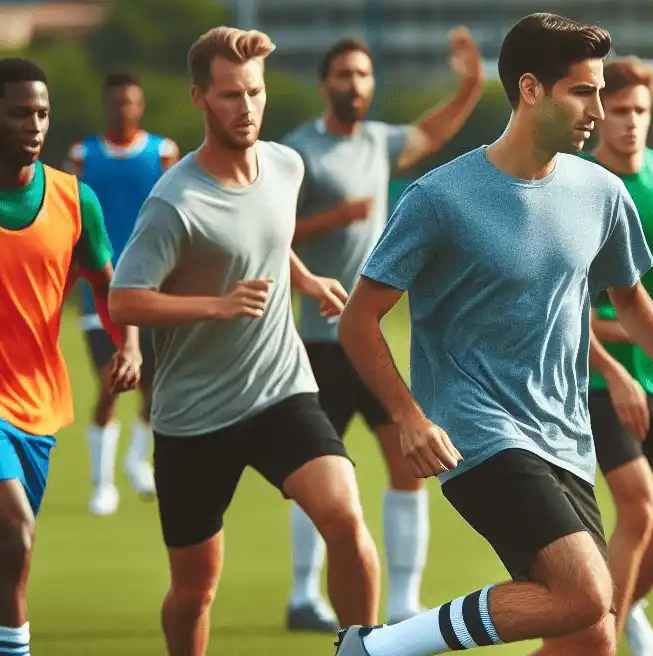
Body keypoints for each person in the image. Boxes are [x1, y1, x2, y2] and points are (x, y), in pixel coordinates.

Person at [333, 13, 653, 656]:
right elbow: (358, 317)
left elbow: (626, 292)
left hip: (565, 436)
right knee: (588, 593)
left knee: (591, 639)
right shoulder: (440, 198)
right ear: (531, 90)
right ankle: (378, 647)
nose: (598, 107)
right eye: (583, 92)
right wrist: (409, 417)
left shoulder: (601, 191)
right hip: (476, 431)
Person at [107, 27, 381, 656]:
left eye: (254, 92)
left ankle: (363, 649)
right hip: (194, 416)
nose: (247, 107)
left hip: (280, 389)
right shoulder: (174, 202)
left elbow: (268, 236)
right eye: (230, 95)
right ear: (201, 98)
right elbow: (125, 298)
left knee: (345, 518)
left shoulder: (286, 165)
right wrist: (217, 305)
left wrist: (308, 280)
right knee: (195, 591)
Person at [279, 29, 484, 631]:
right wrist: (334, 217)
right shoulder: (298, 152)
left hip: (366, 340)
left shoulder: (378, 141)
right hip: (316, 343)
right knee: (312, 478)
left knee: (407, 463)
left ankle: (402, 603)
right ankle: (301, 597)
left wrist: (471, 83)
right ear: (325, 84)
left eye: (364, 75)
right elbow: (270, 235)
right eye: (343, 74)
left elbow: (433, 133)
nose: (355, 84)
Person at [0, 57, 141, 656]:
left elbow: (107, 287)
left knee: (13, 556)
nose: (34, 124)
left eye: (42, 113)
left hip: (37, 403)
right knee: (15, 534)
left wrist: (129, 343)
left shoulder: (73, 199)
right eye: (18, 113)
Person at [581, 56, 653, 656]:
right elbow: (568, 307)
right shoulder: (576, 185)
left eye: (639, 111)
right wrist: (613, 368)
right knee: (639, 506)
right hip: (593, 379)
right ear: (601, 114)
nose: (629, 123)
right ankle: (604, 638)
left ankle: (616, 614)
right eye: (618, 111)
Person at [64, 70, 180, 516]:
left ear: (140, 105)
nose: (123, 109)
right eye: (116, 103)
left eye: (130, 102)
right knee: (112, 383)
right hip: (102, 295)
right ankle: (103, 483)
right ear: (106, 106)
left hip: (153, 289)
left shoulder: (163, 153)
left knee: (156, 388)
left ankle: (136, 460)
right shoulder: (83, 156)